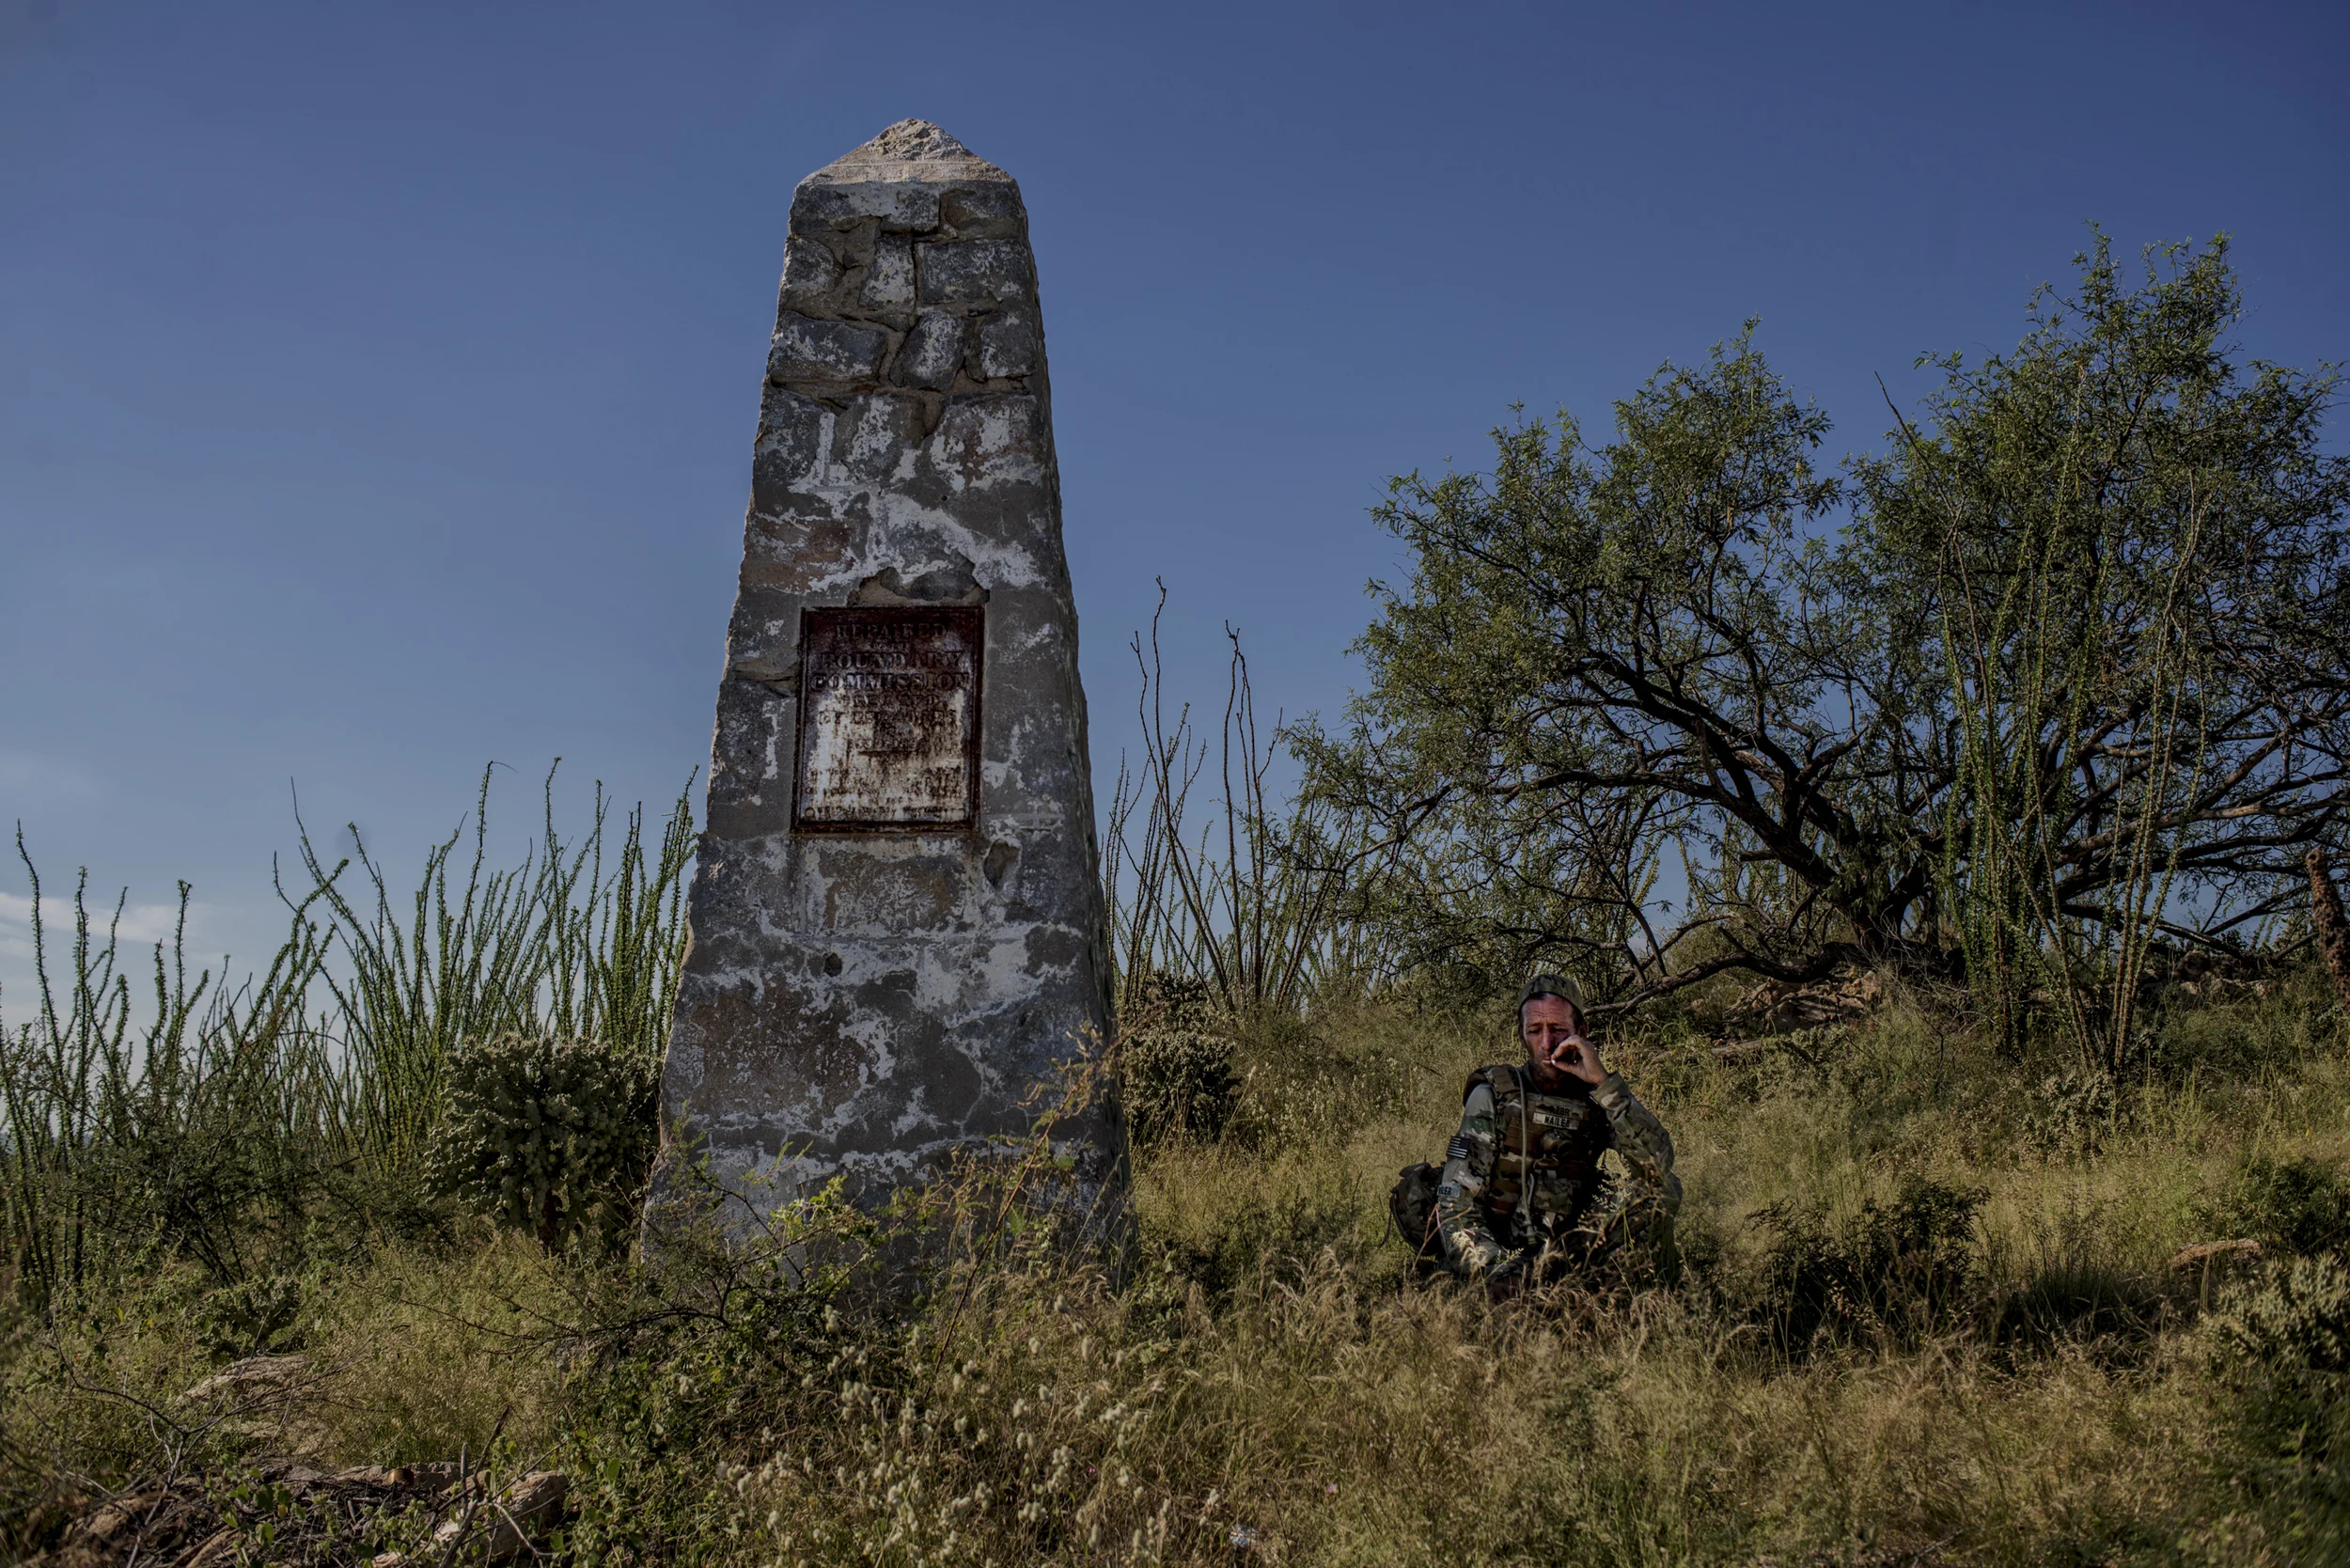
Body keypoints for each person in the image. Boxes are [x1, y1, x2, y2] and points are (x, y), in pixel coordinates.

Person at [1431, 974, 1682, 1293]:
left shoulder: (1597, 1098)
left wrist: (1605, 1085)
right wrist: (1495, 1270)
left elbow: (1657, 1164)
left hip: (1570, 1252)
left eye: (1558, 1029)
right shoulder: (1493, 1095)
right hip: (1503, 1256)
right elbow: (1455, 1203)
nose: (1547, 1043)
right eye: (1535, 1031)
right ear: (1522, 1035)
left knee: (1663, 1190)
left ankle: (1630, 1297)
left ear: (1581, 1032)